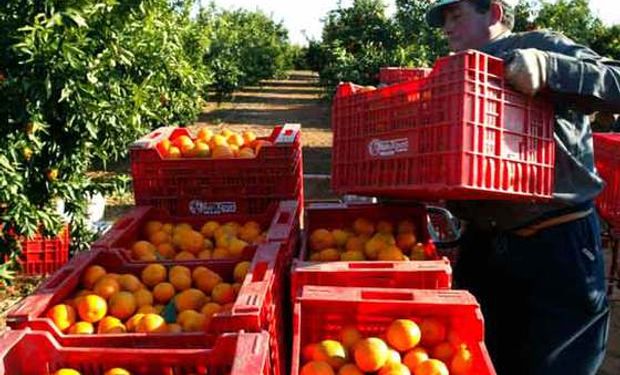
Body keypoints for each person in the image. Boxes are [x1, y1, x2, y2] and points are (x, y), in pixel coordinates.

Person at [425, 1, 620, 374]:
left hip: (557, 244)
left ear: (494, 13)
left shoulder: (542, 45)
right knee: (482, 358)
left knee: (557, 363)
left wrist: (549, 69)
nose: (447, 28)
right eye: (444, 21)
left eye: (457, 15)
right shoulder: (452, 75)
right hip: (484, 245)